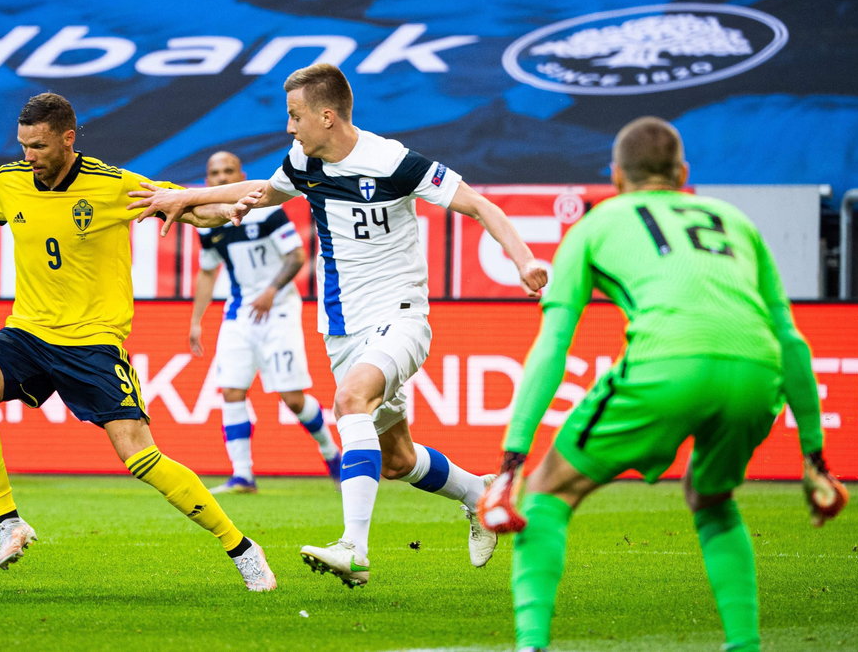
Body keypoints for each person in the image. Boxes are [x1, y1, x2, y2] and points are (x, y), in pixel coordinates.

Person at [129, 63, 550, 587]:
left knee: (351, 401)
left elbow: (481, 206)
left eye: (295, 115)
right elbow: (261, 191)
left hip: (400, 316)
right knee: (397, 460)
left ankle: (353, 548)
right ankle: (477, 493)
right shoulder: (304, 162)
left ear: (327, 116)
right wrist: (186, 198)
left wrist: (524, 261)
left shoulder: (394, 161)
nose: (289, 127)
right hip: (342, 329)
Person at [476, 116, 849, 651]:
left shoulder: (596, 224)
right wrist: (816, 460)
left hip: (668, 364)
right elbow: (791, 341)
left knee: (547, 492)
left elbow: (553, 345)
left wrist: (512, 461)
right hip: (756, 370)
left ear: (616, 177)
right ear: (683, 173)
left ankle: (531, 644)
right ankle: (745, 645)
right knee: (712, 496)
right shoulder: (733, 221)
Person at [0, 92, 277, 592]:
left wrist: (228, 208)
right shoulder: (10, 181)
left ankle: (240, 547)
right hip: (28, 330)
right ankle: (9, 521)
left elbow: (187, 211)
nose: (30, 156)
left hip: (93, 342)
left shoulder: (111, 185)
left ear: (68, 138)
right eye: (24, 145)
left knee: (141, 459)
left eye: (40, 146)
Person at [191, 151, 342, 494]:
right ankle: (242, 475)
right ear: (207, 181)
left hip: (278, 311)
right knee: (231, 390)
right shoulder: (210, 224)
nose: (222, 177)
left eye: (229, 170)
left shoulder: (268, 211)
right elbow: (207, 270)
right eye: (215, 173)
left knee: (292, 398)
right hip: (239, 312)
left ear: (241, 174)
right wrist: (196, 320)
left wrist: (272, 290)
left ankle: (331, 452)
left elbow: (296, 256)